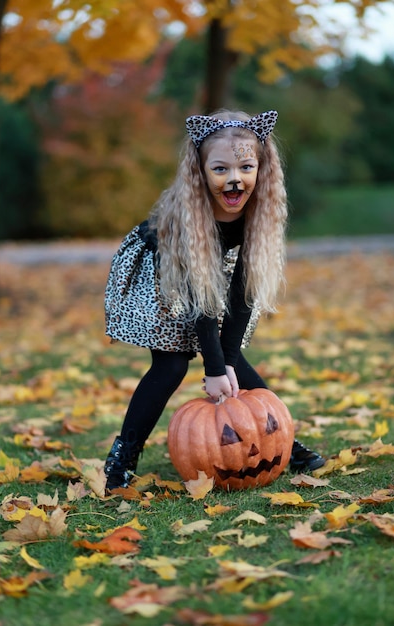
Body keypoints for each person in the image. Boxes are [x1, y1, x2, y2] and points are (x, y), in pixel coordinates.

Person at [103, 109, 325, 491]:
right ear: (201, 172)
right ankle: (122, 457)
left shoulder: (258, 212)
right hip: (167, 272)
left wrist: (227, 362)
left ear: (262, 168)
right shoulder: (188, 214)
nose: (235, 179)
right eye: (221, 169)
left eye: (246, 167)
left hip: (210, 274)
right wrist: (213, 368)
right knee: (171, 365)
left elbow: (242, 294)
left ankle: (280, 442)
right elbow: (197, 304)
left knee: (232, 360)